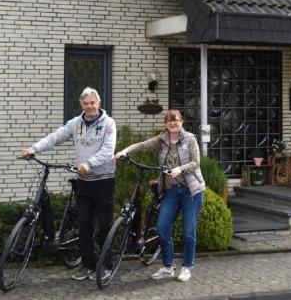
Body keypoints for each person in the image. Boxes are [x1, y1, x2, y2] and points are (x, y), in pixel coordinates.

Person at [20, 87, 116, 281]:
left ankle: (106, 265)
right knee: (83, 226)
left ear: (99, 104)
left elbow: (108, 149)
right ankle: (87, 265)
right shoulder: (75, 123)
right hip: (84, 182)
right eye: (86, 103)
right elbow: (56, 137)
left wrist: (89, 163)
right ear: (81, 104)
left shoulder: (108, 123)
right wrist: (34, 148)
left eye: (92, 103)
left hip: (104, 181)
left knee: (105, 226)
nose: (89, 107)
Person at [114, 109, 204, 282]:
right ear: (166, 124)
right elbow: (142, 145)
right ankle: (168, 267)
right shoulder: (162, 140)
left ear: (181, 122)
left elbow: (196, 162)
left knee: (188, 231)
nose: (172, 123)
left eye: (175, 120)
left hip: (191, 191)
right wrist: (125, 151)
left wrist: (181, 168)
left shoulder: (190, 139)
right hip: (171, 191)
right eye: (169, 121)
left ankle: (186, 267)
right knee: (162, 228)